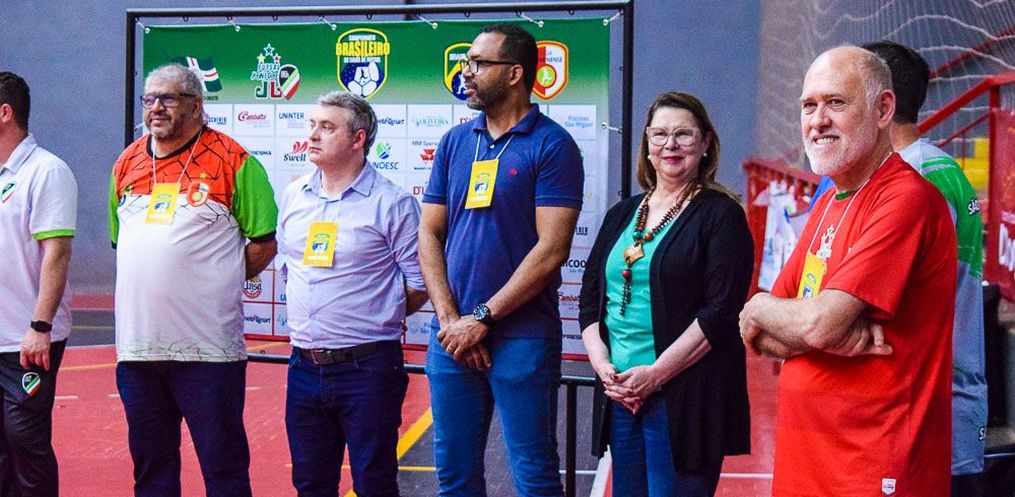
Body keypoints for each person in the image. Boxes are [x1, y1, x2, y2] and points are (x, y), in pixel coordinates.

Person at [739, 46, 956, 497]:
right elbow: (756, 333)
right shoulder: (829, 202)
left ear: (883, 110)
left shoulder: (906, 199)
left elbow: (817, 323)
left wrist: (781, 315)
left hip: (873, 469)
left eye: (836, 102)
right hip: (806, 465)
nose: (818, 120)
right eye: (809, 105)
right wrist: (762, 309)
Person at [418, 23, 583, 497]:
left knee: (534, 477)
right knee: (454, 477)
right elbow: (429, 232)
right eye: (466, 63)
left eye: (478, 63)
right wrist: (453, 321)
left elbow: (551, 250)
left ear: (514, 73)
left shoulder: (552, 145)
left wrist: (482, 319)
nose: (465, 73)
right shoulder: (454, 141)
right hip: (451, 337)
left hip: (522, 337)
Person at [109, 64, 278, 497]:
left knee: (223, 470)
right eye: (149, 99)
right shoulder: (126, 163)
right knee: (152, 471)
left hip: (209, 352)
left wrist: (218, 278)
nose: (156, 108)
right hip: (138, 350)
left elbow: (264, 242)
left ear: (196, 105)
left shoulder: (235, 160)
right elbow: (121, 243)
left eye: (168, 98)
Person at [578, 92, 753, 497]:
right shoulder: (622, 214)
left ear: (705, 143)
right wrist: (603, 366)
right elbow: (590, 299)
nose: (670, 145)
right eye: (659, 135)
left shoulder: (721, 215)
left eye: (683, 135)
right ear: (646, 144)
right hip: (622, 395)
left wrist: (654, 375)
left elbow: (720, 313)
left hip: (684, 400)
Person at [277, 90, 428, 497]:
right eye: (312, 125)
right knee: (310, 484)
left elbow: (420, 282)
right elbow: (290, 266)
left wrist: (376, 313)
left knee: (374, 483)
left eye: (327, 127)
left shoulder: (393, 203)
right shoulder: (294, 195)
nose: (313, 135)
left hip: (368, 368)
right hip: (304, 366)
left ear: (358, 139)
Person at [865, 40, 987, 497]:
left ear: (881, 103)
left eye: (840, 98)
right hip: (942, 404)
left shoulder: (912, 179)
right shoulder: (942, 167)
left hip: (923, 411)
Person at [0, 71, 77, 497]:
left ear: (4, 113)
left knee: (25, 442)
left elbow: (57, 253)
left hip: (26, 339)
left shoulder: (47, 171)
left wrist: (40, 326)